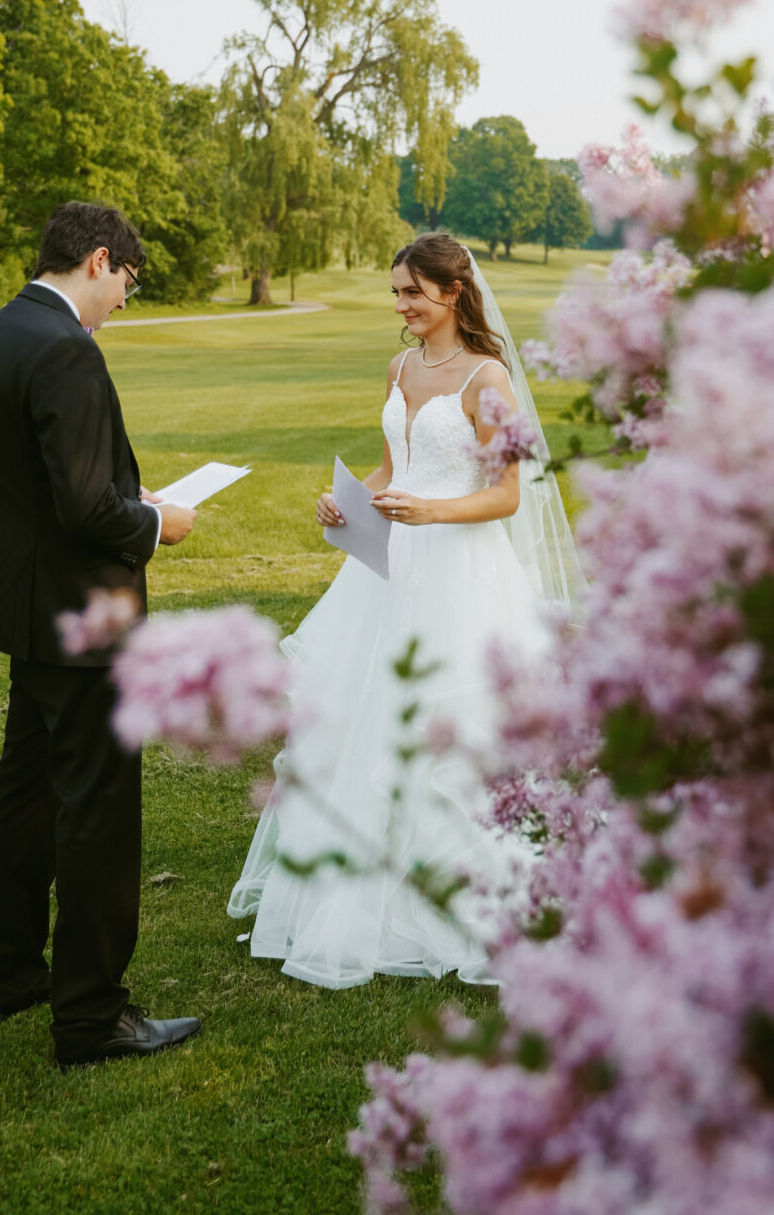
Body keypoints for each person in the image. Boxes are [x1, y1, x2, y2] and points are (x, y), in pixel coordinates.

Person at [228, 232, 585, 989]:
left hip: (457, 572)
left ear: (452, 293)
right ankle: (359, 885)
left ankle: (465, 893)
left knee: (440, 738)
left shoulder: (489, 379)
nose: (401, 306)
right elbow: (392, 467)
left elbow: (505, 494)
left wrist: (430, 512)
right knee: (361, 720)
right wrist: (346, 498)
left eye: (413, 293)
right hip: (387, 571)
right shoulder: (398, 365)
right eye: (395, 292)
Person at [0, 201, 202, 1069]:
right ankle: (91, 1016)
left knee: (24, 793)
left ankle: (13, 974)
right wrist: (155, 523)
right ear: (100, 261)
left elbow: (6, 480)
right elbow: (90, 505)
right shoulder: (67, 347)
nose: (124, 303)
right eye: (128, 283)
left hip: (21, 606)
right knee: (95, 810)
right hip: (83, 616)